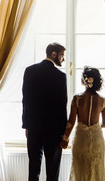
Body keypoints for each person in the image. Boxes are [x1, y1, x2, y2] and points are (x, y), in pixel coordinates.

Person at [22, 43, 68, 181]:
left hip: (34, 128)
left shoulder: (29, 71)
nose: (63, 59)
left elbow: (26, 100)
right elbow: (62, 105)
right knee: (52, 172)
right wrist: (64, 133)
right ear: (54, 54)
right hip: (53, 131)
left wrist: (26, 125)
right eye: (62, 55)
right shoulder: (60, 76)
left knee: (33, 169)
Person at [60, 66, 105, 181]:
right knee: (96, 171)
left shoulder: (77, 98)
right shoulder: (102, 100)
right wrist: (96, 127)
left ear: (84, 80)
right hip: (96, 141)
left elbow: (71, 121)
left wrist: (65, 138)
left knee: (79, 171)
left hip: (81, 139)